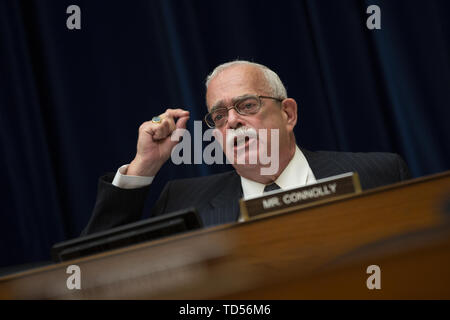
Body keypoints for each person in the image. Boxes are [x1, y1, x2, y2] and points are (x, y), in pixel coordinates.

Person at [82, 60, 411, 235]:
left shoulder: (377, 174)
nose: (233, 121)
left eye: (247, 105)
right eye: (219, 115)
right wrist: (144, 166)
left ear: (288, 113)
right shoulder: (182, 203)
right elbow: (95, 274)